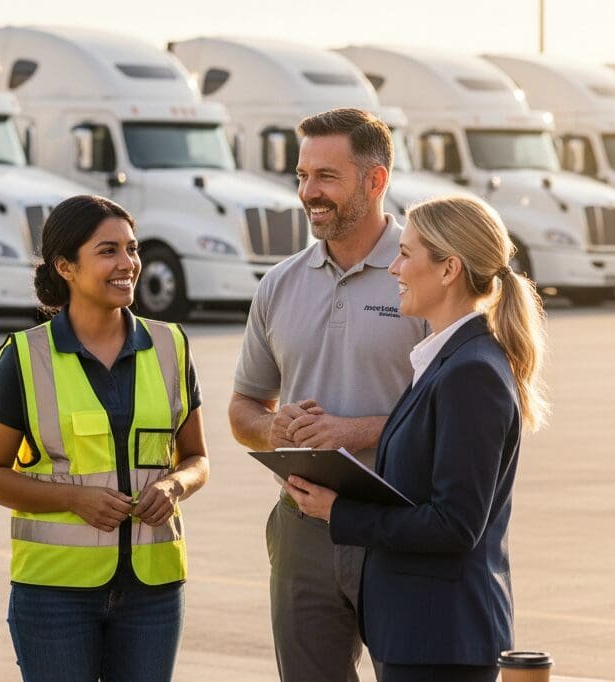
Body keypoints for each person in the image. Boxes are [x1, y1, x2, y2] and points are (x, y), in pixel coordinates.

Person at [286, 195, 548, 682]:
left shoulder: (471, 372)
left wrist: (338, 511)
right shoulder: (445, 360)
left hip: (441, 640)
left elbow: (454, 525)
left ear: (448, 269)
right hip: (420, 633)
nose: (393, 269)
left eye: (405, 254)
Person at [0, 194, 209, 682]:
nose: (129, 264)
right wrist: (73, 499)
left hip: (153, 592)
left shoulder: (171, 346)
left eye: (132, 248)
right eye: (108, 251)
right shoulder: (24, 358)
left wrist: (175, 486)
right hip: (54, 593)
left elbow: (197, 458)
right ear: (65, 266)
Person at [228, 108, 428, 682]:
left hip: (398, 528)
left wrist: (352, 431)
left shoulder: (425, 275)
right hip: (303, 531)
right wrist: (276, 429)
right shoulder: (279, 284)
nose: (309, 193)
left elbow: (452, 413)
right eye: (302, 176)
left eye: (326, 177)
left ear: (376, 180)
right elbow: (244, 409)